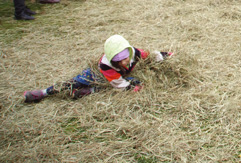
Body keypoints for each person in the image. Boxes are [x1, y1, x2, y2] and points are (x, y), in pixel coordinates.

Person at [23, 35, 173, 102]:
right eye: (119, 60)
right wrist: (131, 88)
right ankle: (44, 93)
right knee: (75, 82)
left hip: (114, 80)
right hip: (98, 76)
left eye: (126, 57)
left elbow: (150, 55)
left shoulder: (134, 53)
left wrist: (165, 55)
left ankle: (84, 93)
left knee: (117, 86)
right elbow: (119, 85)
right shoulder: (106, 65)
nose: (125, 61)